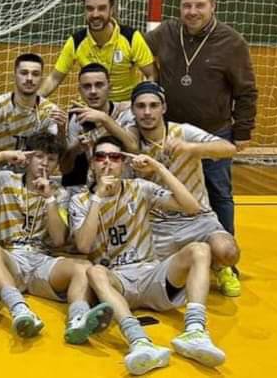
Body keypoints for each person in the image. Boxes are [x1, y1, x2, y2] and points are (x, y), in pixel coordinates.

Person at [70, 136, 226, 375]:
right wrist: (98, 197)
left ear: (123, 163)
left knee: (200, 249)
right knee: (94, 271)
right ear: (92, 163)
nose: (107, 163)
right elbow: (83, 245)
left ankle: (195, 331)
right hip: (118, 282)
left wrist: (159, 168)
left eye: (115, 157)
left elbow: (192, 207)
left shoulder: (140, 188)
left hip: (152, 275)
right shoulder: (80, 201)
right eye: (100, 157)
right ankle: (139, 341)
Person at [0, 132, 113, 344]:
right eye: (39, 156)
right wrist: (3, 156)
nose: (44, 163)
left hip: (41, 260)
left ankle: (78, 319)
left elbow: (59, 239)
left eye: (51, 159)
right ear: (28, 158)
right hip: (10, 259)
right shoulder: (5, 181)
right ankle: (19, 309)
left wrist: (49, 198)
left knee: (83, 267)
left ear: (57, 166)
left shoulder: (60, 193)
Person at [144, 0, 258, 241]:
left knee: (219, 194)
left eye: (199, 5)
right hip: (170, 137)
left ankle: (224, 258)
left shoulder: (232, 42)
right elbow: (134, 48)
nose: (192, 11)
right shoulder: (167, 32)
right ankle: (173, 249)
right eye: (186, 6)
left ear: (212, 6)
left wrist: (242, 132)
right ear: (180, 8)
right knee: (168, 194)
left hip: (213, 133)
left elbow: (246, 91)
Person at [127, 82, 241, 297]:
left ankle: (219, 266)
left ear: (164, 108)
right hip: (156, 224)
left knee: (228, 251)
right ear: (132, 110)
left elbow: (229, 149)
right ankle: (191, 259)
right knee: (150, 279)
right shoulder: (130, 141)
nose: (147, 112)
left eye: (153, 105)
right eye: (141, 106)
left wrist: (192, 148)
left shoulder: (183, 132)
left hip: (197, 218)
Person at [40, 0, 156, 101]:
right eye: (90, 9)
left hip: (124, 109)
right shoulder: (76, 42)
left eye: (101, 8)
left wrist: (139, 101)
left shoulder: (131, 38)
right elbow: (54, 78)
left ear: (111, 10)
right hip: (89, 108)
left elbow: (152, 74)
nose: (95, 14)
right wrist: (34, 101)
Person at [60, 63, 136, 188]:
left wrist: (104, 118)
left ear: (109, 87)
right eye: (87, 86)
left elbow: (133, 148)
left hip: (126, 186)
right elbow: (65, 169)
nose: (93, 91)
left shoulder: (125, 112)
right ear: (79, 90)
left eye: (99, 85)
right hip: (93, 187)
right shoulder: (76, 118)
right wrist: (74, 149)